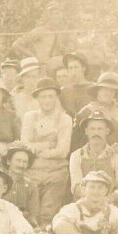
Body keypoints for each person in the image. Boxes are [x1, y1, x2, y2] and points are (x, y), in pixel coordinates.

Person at [20, 78, 72, 224]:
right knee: (30, 213)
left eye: (51, 96)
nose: (47, 100)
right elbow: (25, 144)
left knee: (47, 214)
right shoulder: (30, 117)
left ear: (56, 97)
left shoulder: (65, 119)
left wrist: (37, 148)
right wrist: (49, 144)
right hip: (32, 171)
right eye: (43, 96)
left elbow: (63, 151)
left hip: (56, 172)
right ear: (37, 98)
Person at [69, 111, 118, 198]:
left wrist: (109, 199)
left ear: (107, 131)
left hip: (109, 204)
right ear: (86, 131)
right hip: (84, 202)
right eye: (92, 129)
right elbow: (76, 187)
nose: (96, 133)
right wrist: (92, 200)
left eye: (100, 129)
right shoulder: (76, 155)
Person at [74, 72, 118, 158]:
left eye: (112, 90)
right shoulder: (86, 112)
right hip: (94, 158)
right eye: (104, 89)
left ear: (115, 93)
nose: (108, 93)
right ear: (97, 91)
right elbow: (77, 142)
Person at [11, 2, 73, 68]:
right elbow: (16, 45)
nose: (54, 16)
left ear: (62, 15)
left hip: (58, 68)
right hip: (43, 67)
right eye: (51, 14)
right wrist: (34, 56)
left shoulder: (63, 33)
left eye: (57, 13)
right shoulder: (40, 30)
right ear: (47, 16)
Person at [1, 142, 40, 227]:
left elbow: (33, 215)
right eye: (18, 161)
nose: (21, 165)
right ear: (8, 161)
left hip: (22, 227)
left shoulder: (31, 186)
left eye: (25, 162)